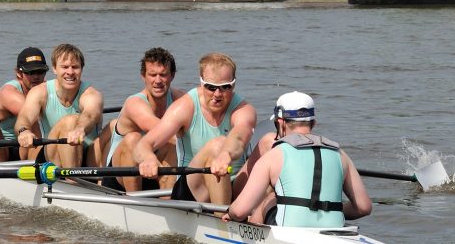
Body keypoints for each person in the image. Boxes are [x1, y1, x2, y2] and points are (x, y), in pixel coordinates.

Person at [224, 92, 372, 228]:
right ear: (313, 123)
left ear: (280, 123)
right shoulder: (340, 154)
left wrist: (230, 214)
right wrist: (333, 209)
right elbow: (364, 207)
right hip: (334, 231)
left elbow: (239, 211)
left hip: (287, 233)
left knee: (269, 199)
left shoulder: (274, 155)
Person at [133, 52, 256, 205]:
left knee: (268, 142)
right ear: (202, 83)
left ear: (234, 84)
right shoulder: (184, 107)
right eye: (211, 87)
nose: (217, 94)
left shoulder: (244, 109)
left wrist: (226, 154)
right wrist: (148, 158)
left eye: (225, 87)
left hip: (235, 184)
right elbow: (142, 145)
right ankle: (222, 218)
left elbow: (240, 135)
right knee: (217, 145)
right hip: (193, 190)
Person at [15, 43, 109, 168]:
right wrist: (24, 131)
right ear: (54, 68)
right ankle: (71, 178)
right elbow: (25, 117)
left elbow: (90, 115)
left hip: (89, 155)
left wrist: (80, 129)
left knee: (115, 125)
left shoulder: (92, 94)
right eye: (64, 67)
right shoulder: (40, 92)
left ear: (81, 69)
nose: (70, 72)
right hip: (53, 156)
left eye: (75, 67)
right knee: (69, 121)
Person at [106, 47, 185, 191]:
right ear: (143, 76)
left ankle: (168, 199)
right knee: (133, 139)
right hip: (120, 176)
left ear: (172, 75)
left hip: (156, 168)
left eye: (163, 75)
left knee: (172, 147)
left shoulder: (180, 99)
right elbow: (162, 132)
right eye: (152, 75)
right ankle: (134, 200)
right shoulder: (135, 103)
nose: (158, 80)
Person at [0, 46, 50, 162]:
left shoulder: (47, 88)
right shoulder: (9, 93)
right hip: (3, 148)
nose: (36, 76)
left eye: (40, 71)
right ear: (19, 73)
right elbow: (33, 119)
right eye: (30, 72)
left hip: (26, 147)